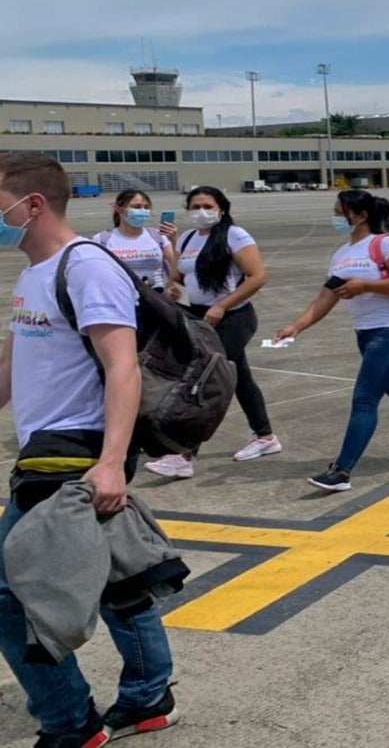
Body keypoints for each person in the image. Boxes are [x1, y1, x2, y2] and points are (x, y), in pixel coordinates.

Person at [0, 153, 179, 747]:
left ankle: (70, 722)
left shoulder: (85, 268)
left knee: (8, 590)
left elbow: (122, 366)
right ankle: (149, 695)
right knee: (116, 578)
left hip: (72, 452)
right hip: (54, 444)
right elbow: (15, 363)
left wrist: (110, 463)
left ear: (32, 205)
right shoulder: (34, 272)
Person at [274, 191, 389, 493]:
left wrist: (365, 285)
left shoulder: (385, 244)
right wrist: (296, 326)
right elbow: (326, 297)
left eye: (337, 212)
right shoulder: (342, 254)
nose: (334, 218)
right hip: (366, 333)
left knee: (365, 399)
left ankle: (341, 471)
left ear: (359, 215)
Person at [149, 186, 278, 478]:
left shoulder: (235, 235)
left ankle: (183, 453)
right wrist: (173, 288)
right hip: (198, 316)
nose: (201, 211)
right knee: (240, 377)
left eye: (207, 205)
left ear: (221, 208)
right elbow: (179, 275)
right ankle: (266, 436)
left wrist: (222, 305)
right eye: (195, 206)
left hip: (233, 317)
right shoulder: (189, 237)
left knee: (204, 379)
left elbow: (258, 277)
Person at [93, 189, 177, 293]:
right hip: (120, 296)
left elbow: (176, 265)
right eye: (136, 207)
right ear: (119, 209)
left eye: (146, 207)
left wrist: (174, 241)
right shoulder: (102, 239)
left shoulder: (158, 236)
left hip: (155, 298)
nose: (142, 211)